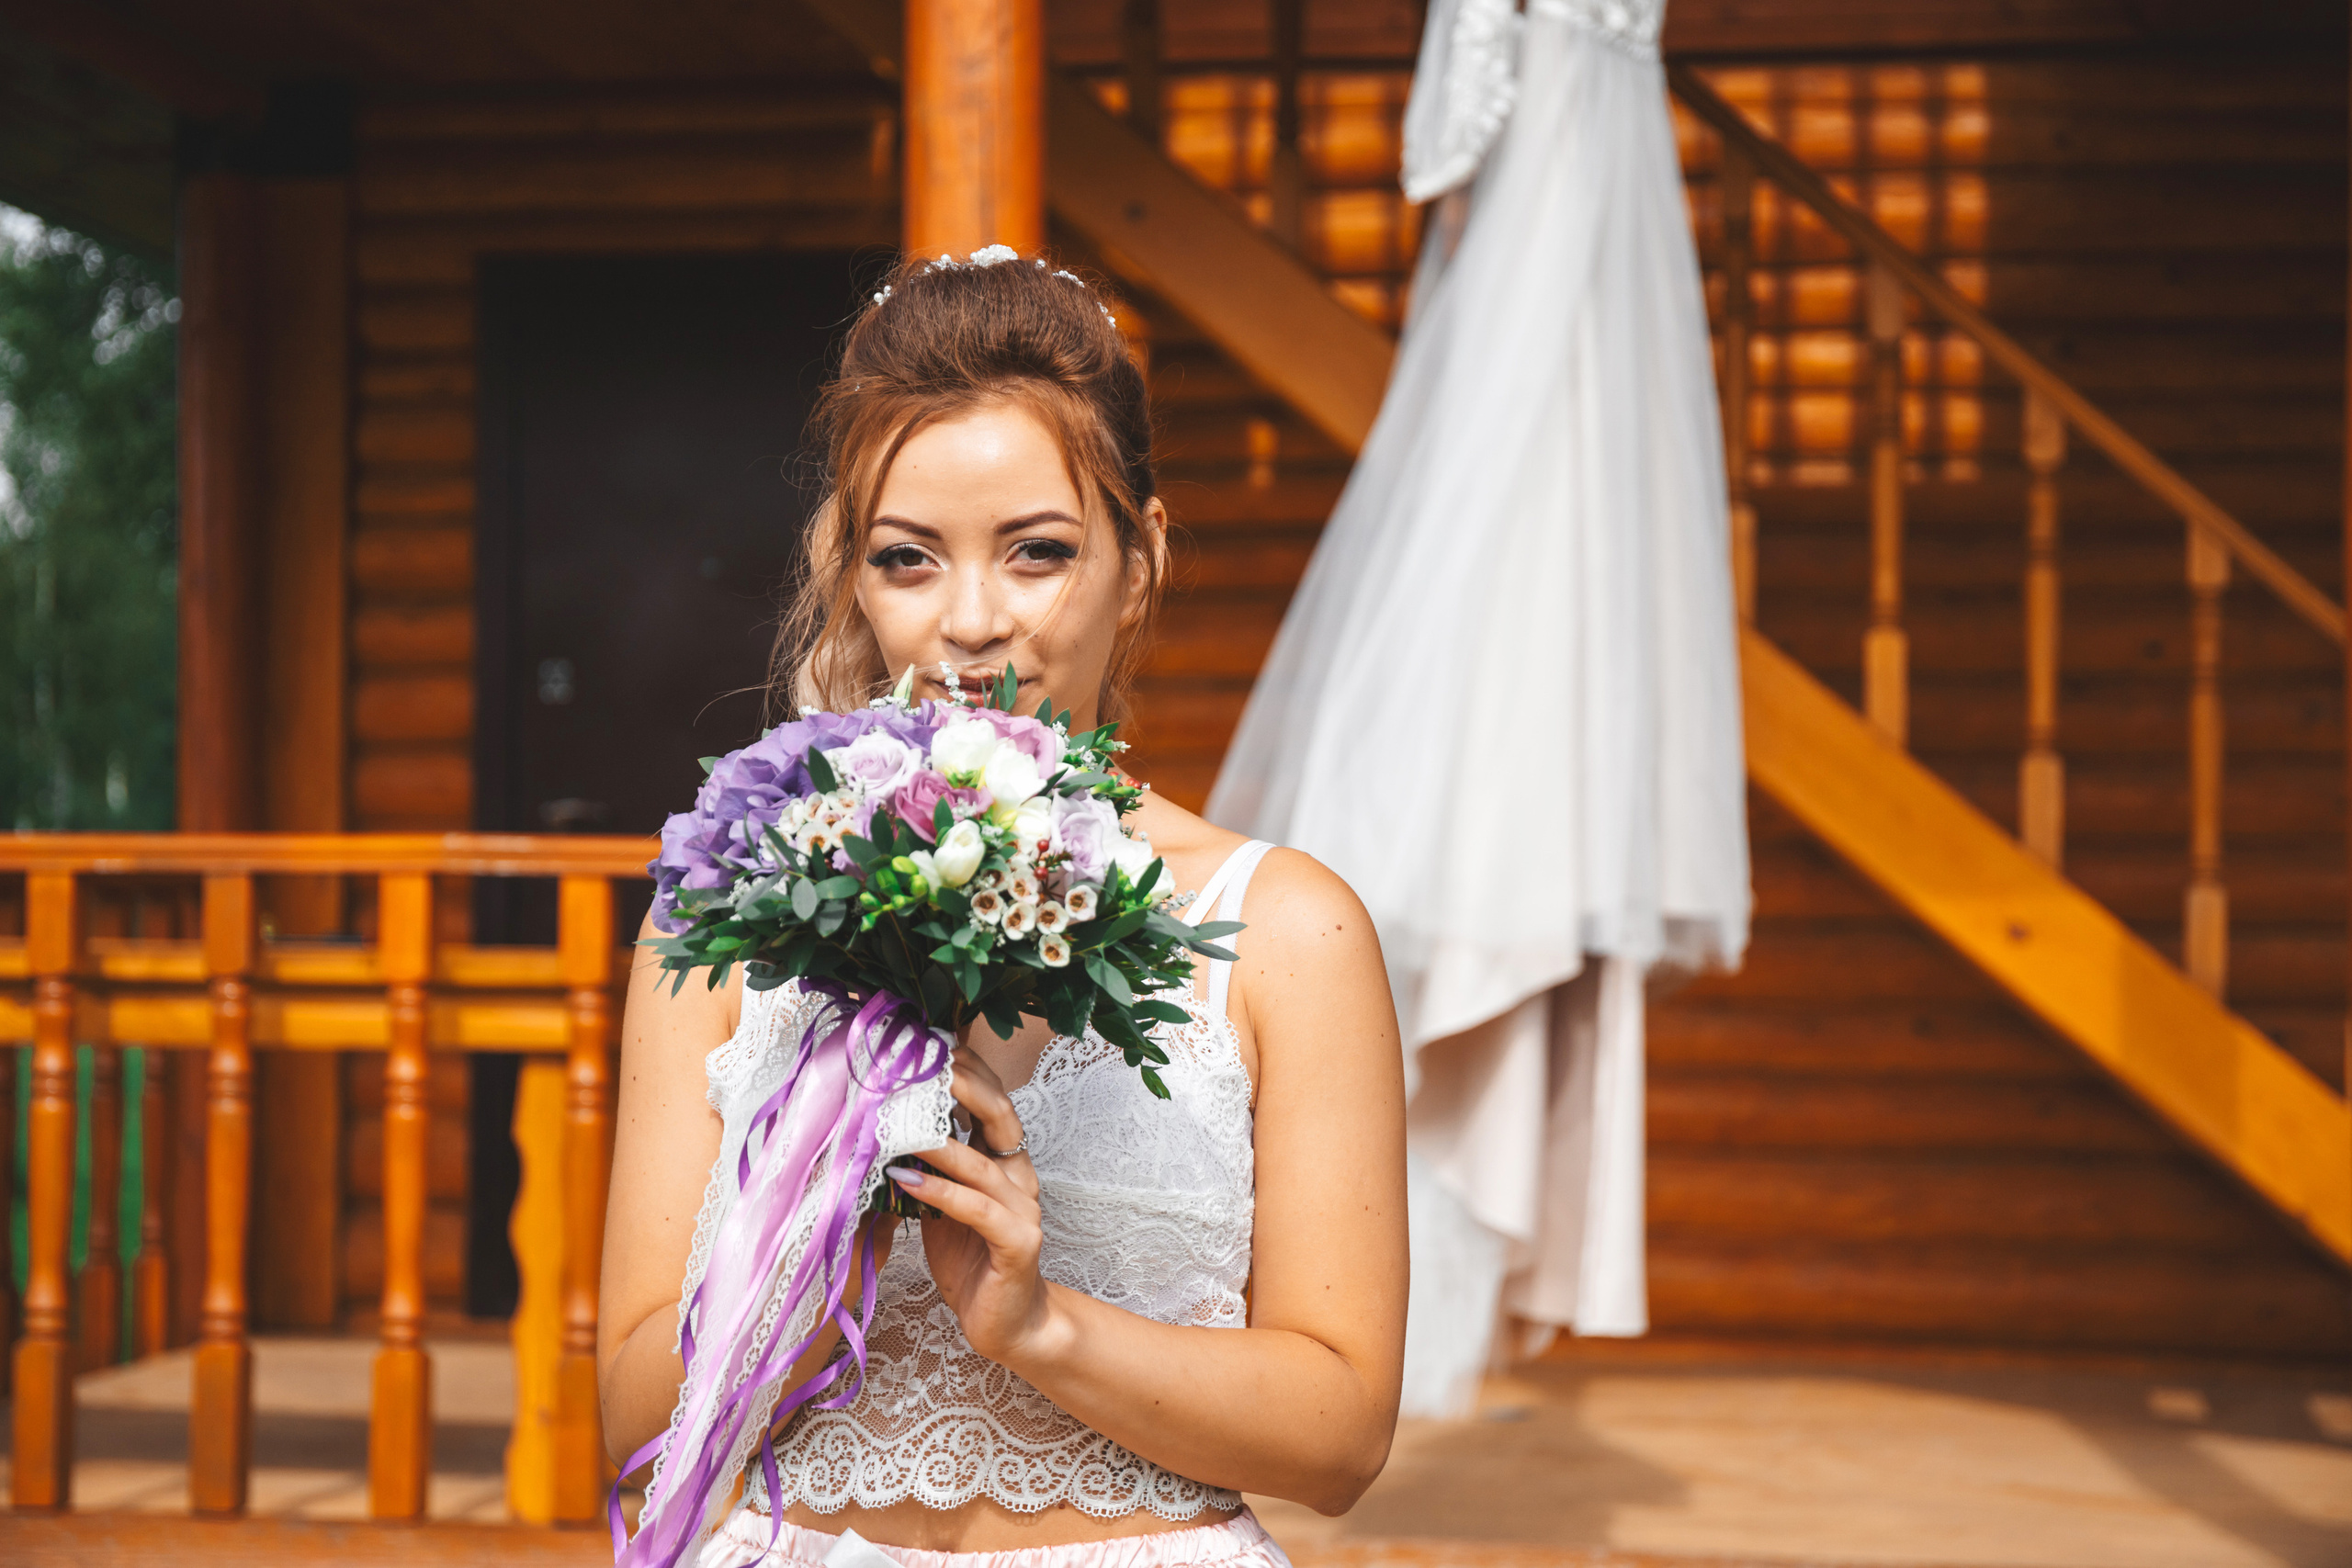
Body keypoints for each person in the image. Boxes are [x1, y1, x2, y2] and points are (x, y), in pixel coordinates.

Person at [597, 247, 1408, 1568]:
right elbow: (628, 1411)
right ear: (851, 575)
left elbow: (1342, 1437)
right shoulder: (723, 922)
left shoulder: (1287, 930)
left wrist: (1042, 1328)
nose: (970, 623)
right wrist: (822, 1245)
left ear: (1139, 562)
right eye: (908, 559)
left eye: (1038, 552)